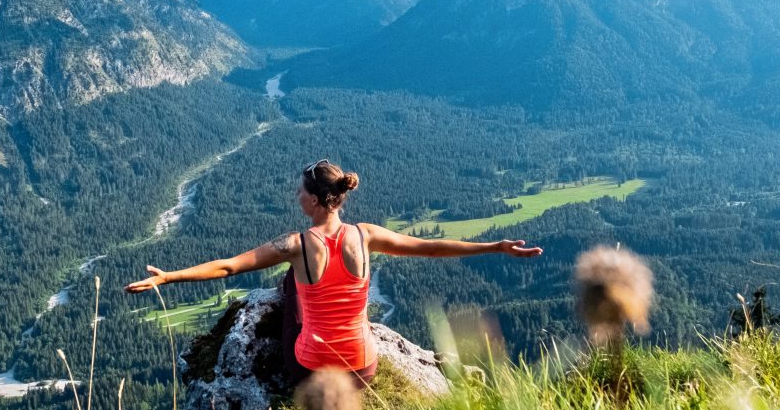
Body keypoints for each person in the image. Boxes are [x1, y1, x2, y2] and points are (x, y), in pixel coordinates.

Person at [124, 159, 541, 384]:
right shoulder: (366, 235)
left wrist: (168, 277)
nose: (296, 195)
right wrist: (494, 246)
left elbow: (229, 267)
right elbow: (430, 248)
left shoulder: (296, 245)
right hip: (363, 368)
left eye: (301, 191)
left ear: (318, 200)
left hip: (314, 367)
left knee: (291, 284)